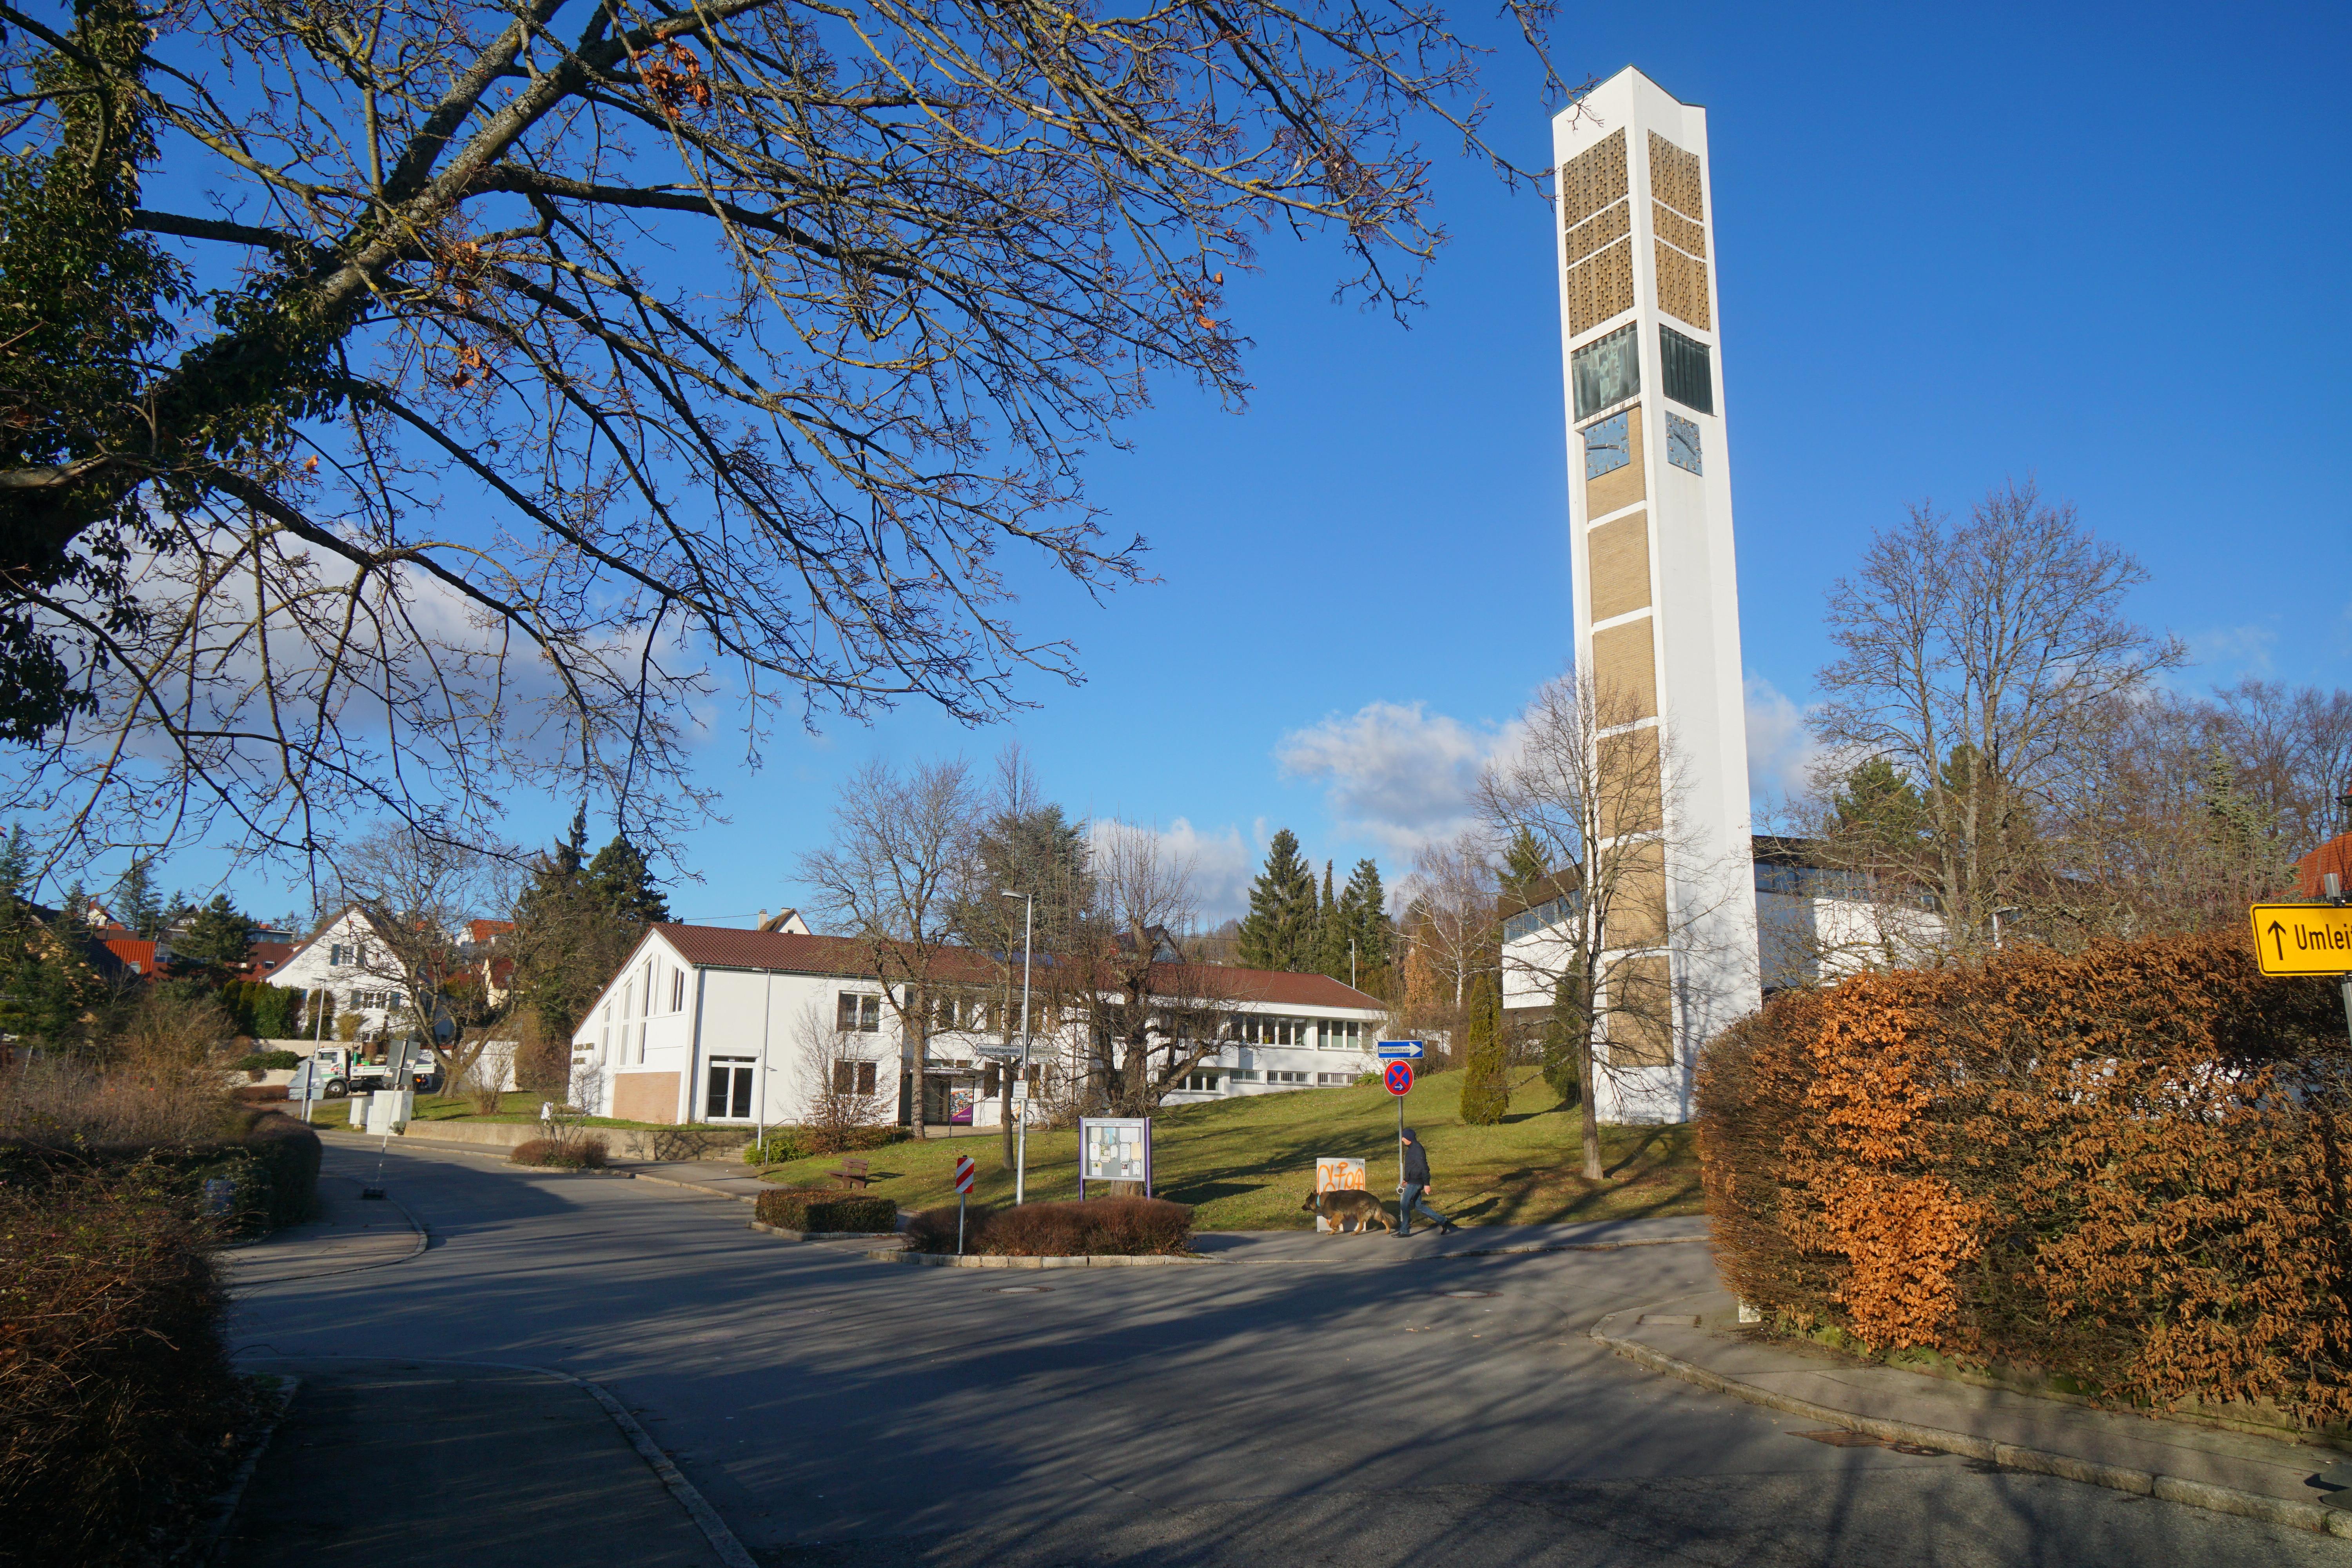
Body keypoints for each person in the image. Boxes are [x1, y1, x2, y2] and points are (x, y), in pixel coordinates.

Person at [1397, 1128, 1459, 1237]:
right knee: (1419, 1206)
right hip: (1412, 1181)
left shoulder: (1417, 1149)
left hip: (1416, 1182)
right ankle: (1444, 1222)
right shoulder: (1412, 1149)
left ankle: (1405, 1230)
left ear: (1409, 1138)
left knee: (1404, 1204)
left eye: (1404, 1138)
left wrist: (1427, 1184)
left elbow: (1425, 1168)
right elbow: (1412, 1167)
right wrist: (1407, 1180)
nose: (1402, 1140)